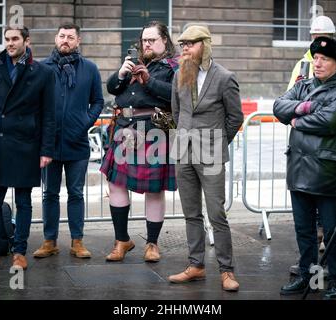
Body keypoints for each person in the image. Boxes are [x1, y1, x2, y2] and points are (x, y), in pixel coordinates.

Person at [0, 26, 55, 271]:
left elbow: (49, 114)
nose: (10, 43)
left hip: (26, 144)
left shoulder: (42, 72)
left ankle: (19, 253)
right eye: (7, 39)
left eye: (15, 39)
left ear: (26, 41)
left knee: (24, 202)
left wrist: (46, 150)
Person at [273, 36, 336, 300]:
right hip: (299, 167)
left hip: (327, 171)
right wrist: (305, 107)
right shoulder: (303, 85)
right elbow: (278, 107)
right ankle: (310, 278)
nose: (317, 63)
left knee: (332, 230)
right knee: (304, 229)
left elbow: (330, 121)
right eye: (315, 58)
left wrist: (296, 121)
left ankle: (335, 279)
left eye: (324, 59)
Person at [168, 25, 243, 292]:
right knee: (191, 214)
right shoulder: (179, 74)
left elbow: (236, 118)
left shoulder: (224, 77)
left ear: (205, 45)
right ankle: (196, 265)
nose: (184, 48)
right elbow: (177, 113)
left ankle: (226, 270)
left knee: (216, 214)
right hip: (183, 153)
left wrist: (216, 143)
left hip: (210, 154)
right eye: (182, 44)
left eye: (190, 43)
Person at [100, 21, 178, 262]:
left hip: (153, 130)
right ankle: (122, 240)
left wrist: (149, 81)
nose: (147, 44)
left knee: (154, 191)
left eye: (152, 39)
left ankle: (152, 244)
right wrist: (122, 73)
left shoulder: (173, 67)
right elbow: (113, 88)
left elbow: (176, 94)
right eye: (144, 40)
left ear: (164, 40)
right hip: (124, 129)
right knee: (116, 185)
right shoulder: (133, 64)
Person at [32, 23, 104, 259]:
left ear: (78, 41)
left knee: (76, 193)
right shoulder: (42, 68)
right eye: (62, 36)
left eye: (70, 37)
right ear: (56, 38)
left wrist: (85, 121)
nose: (65, 40)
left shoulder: (90, 69)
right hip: (49, 144)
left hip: (77, 142)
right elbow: (33, 102)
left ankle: (77, 241)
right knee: (49, 193)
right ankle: (49, 240)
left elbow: (98, 102)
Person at [287, 15, 336, 90]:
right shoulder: (302, 64)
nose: (317, 64)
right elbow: (288, 95)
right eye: (316, 39)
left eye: (323, 39)